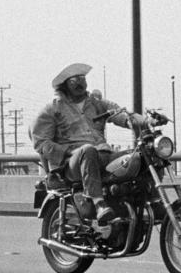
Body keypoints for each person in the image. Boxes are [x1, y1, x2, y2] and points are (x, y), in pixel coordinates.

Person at [30, 62, 143, 225]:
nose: (80, 83)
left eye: (82, 78)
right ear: (65, 85)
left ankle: (150, 200)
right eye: (74, 80)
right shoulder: (53, 108)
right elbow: (41, 142)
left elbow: (123, 115)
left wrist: (148, 121)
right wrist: (67, 151)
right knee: (87, 150)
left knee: (140, 154)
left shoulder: (96, 103)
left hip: (104, 156)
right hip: (71, 163)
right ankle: (99, 204)